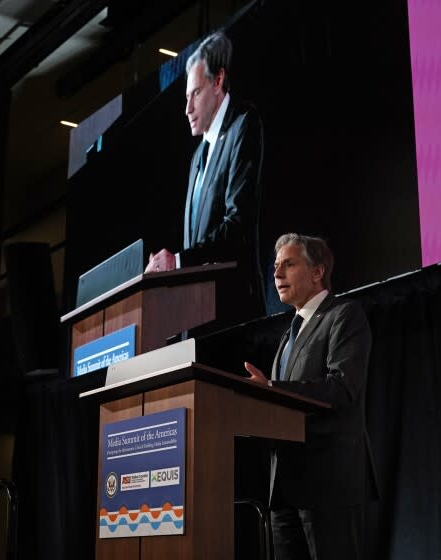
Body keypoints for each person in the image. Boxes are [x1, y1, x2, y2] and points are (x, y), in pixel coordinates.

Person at [243, 233, 379, 560]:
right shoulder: (288, 335)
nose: (276, 275)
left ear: (317, 272)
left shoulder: (343, 315)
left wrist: (273, 389)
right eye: (275, 267)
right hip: (285, 488)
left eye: (288, 265)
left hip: (328, 484)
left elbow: (342, 387)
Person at [145, 28, 265, 314]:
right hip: (196, 309)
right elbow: (196, 240)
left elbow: (238, 223)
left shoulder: (243, 125)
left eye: (195, 93)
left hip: (234, 307)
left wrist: (179, 260)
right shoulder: (198, 154)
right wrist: (170, 267)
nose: (187, 108)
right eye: (187, 97)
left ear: (218, 80)